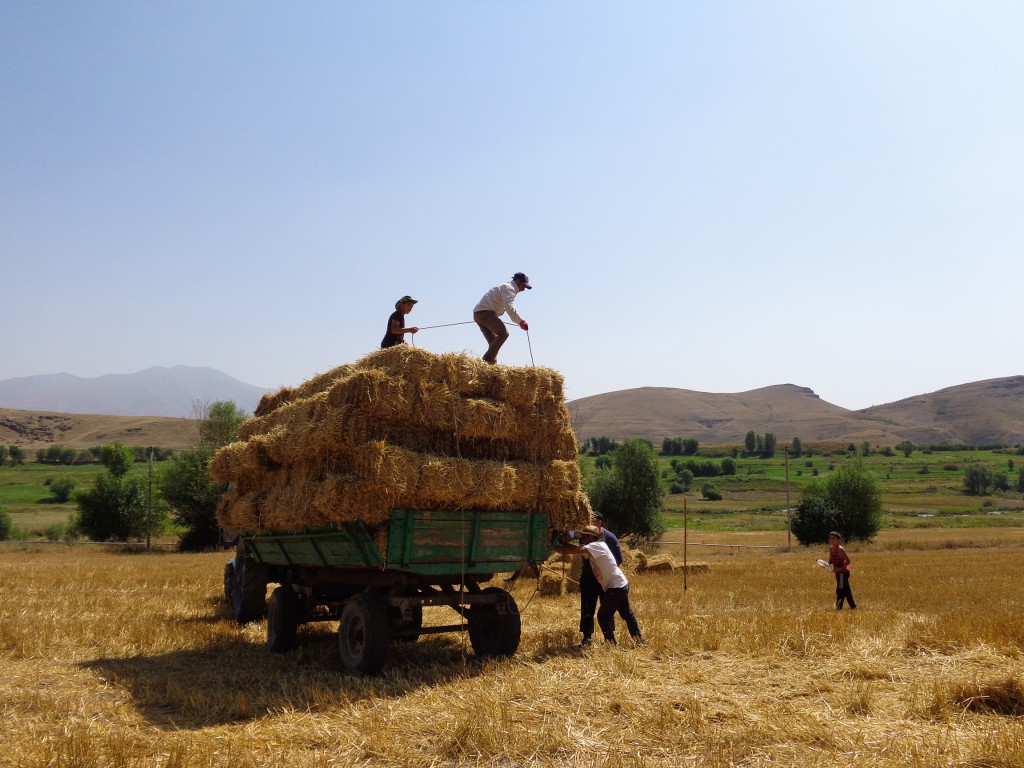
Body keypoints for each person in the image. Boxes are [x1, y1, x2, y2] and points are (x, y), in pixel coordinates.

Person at [560, 525, 644, 646]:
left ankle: (611, 643)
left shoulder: (597, 545)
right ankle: (640, 640)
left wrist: (552, 547)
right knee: (626, 613)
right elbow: (572, 548)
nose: (584, 538)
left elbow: (574, 550)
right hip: (620, 584)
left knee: (603, 616)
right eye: (583, 536)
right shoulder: (592, 548)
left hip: (616, 587)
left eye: (586, 536)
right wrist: (561, 543)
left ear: (593, 537)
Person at [578, 512, 623, 647]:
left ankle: (609, 638)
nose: (591, 522)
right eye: (590, 519)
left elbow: (618, 559)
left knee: (606, 610)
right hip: (588, 579)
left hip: (604, 581)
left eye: (594, 520)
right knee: (587, 608)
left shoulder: (610, 538)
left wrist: (604, 571)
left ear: (601, 522)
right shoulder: (586, 535)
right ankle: (587, 637)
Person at [473, 272, 531, 364]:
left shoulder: (507, 287)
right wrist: (520, 321)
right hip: (485, 313)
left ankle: (491, 367)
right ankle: (485, 362)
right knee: (504, 334)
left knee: (493, 343)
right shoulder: (509, 288)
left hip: (479, 313)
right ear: (517, 281)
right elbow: (509, 307)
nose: (524, 289)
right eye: (524, 285)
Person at [828, 531, 856, 610]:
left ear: (838, 540)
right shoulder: (831, 548)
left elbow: (848, 561)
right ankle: (853, 606)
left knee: (840, 590)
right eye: (830, 538)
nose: (831, 540)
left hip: (843, 573)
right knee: (846, 590)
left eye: (833, 538)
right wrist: (826, 565)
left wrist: (840, 569)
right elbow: (831, 560)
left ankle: (838, 608)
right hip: (838, 573)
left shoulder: (840, 549)